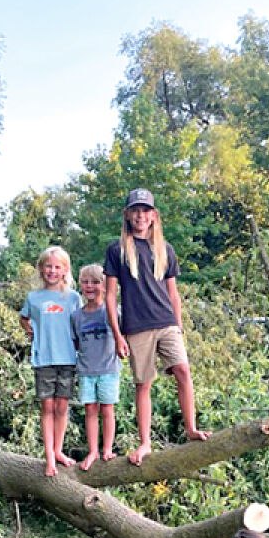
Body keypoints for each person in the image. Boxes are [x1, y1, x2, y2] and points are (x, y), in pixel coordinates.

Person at [104, 187, 209, 466]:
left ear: (153, 216)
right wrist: (118, 335)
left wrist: (179, 324)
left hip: (166, 322)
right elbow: (110, 295)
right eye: (135, 211)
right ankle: (145, 443)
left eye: (145, 211)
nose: (140, 215)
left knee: (183, 370)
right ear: (128, 215)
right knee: (143, 384)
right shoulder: (117, 250)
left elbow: (173, 293)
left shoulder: (165, 249)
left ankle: (191, 428)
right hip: (137, 326)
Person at [19, 246, 81, 476]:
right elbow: (24, 318)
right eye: (49, 266)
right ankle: (48, 457)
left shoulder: (73, 298)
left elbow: (80, 323)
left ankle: (58, 450)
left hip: (67, 358)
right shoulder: (34, 298)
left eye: (57, 267)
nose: (52, 271)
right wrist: (31, 331)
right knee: (47, 406)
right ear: (41, 269)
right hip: (43, 358)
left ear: (65, 270)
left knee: (62, 406)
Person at [71, 264, 121, 470]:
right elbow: (75, 343)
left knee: (107, 409)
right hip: (86, 371)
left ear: (105, 285)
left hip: (109, 369)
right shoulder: (76, 316)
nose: (89, 286)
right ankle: (92, 451)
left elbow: (123, 337)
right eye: (85, 282)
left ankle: (107, 449)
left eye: (95, 282)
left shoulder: (112, 312)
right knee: (90, 410)